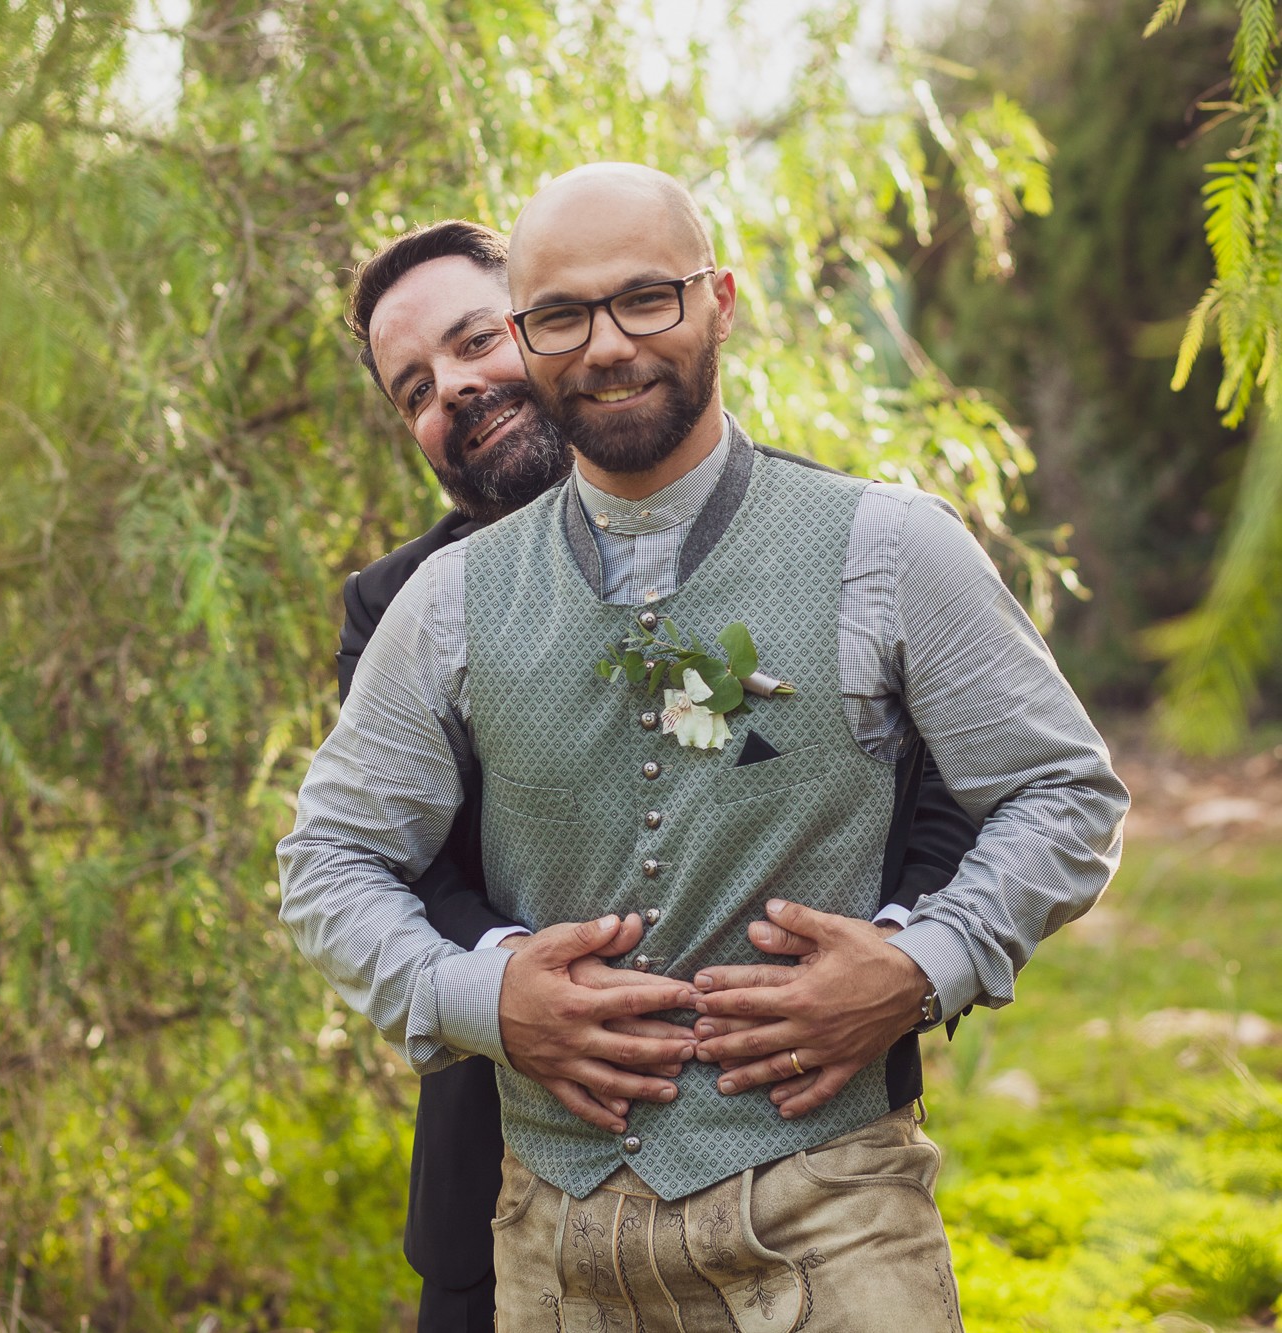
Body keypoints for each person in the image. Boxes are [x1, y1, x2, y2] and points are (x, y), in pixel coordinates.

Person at [281, 165, 1128, 1328]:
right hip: (548, 1239)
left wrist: (919, 961)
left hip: (832, 1215)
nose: (607, 344)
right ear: (535, 340)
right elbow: (328, 861)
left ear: (719, 300)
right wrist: (476, 992)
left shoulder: (889, 546)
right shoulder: (441, 603)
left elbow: (1060, 792)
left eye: (647, 298)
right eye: (565, 316)